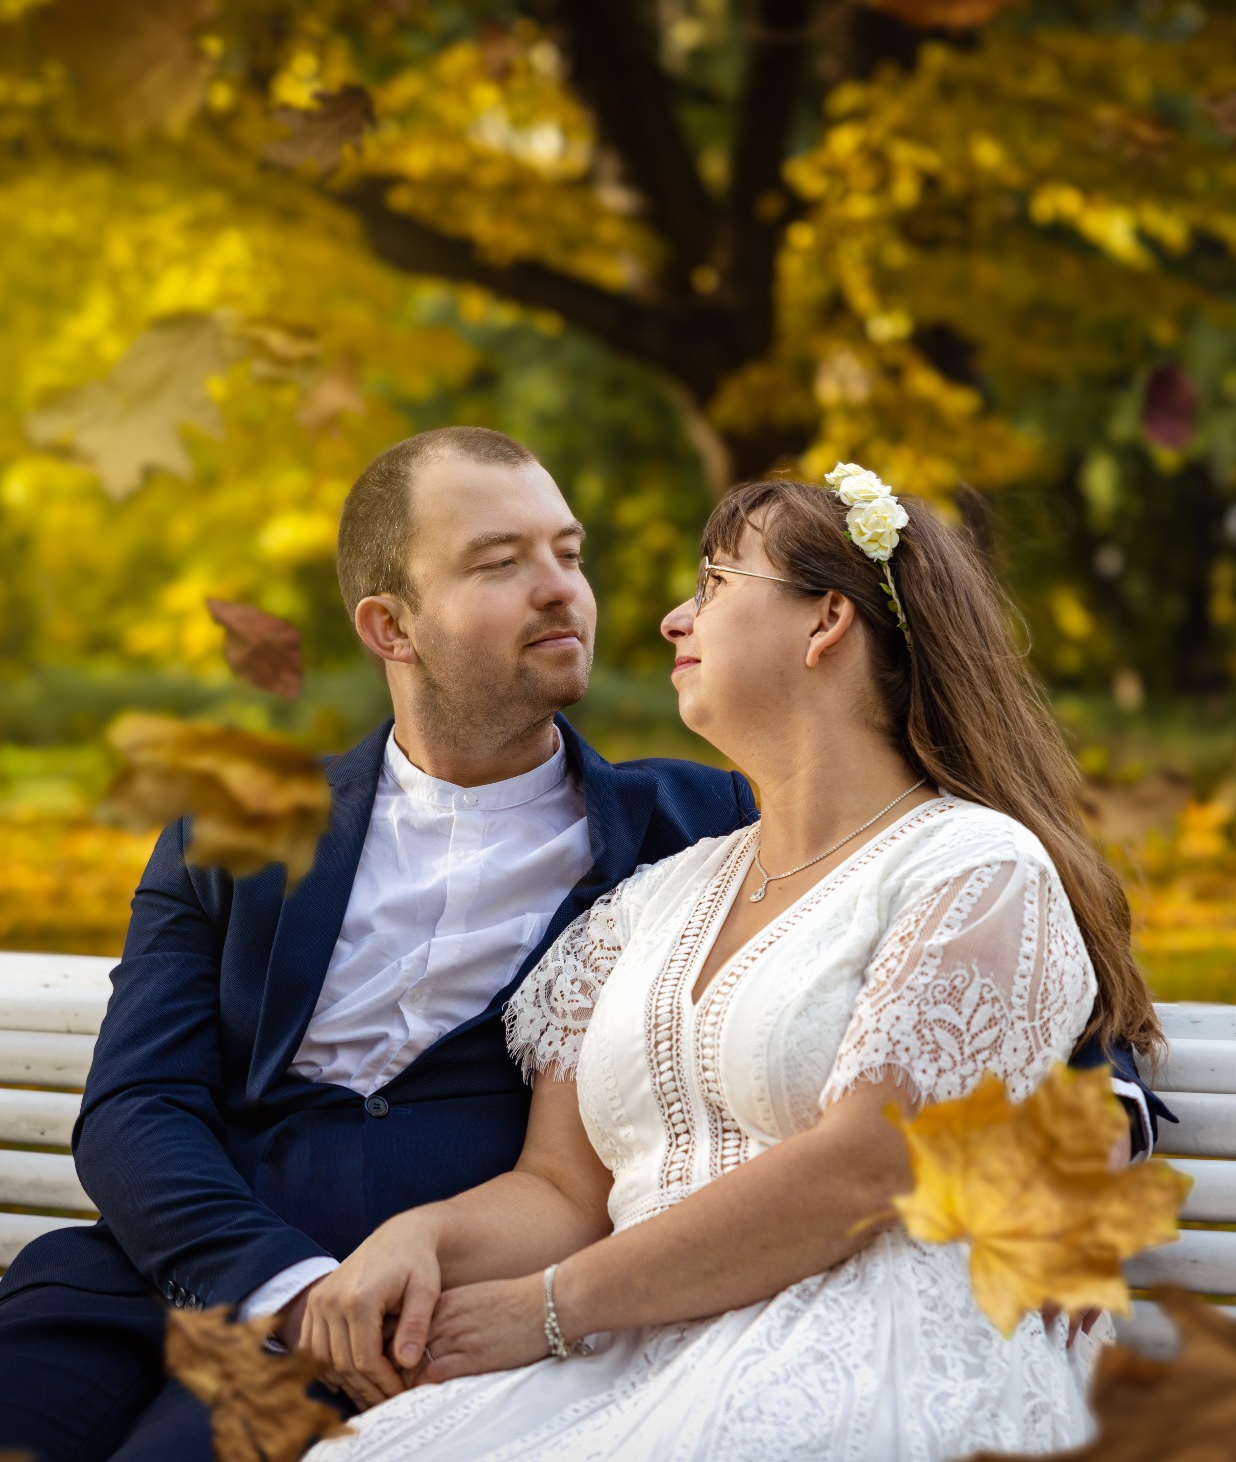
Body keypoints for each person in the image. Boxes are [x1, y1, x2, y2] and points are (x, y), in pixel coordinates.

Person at [0, 427, 760, 1459]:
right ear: (390, 626)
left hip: (411, 1317)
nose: (559, 588)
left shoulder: (701, 823)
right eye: (499, 561)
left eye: (566, 553)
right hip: (146, 1280)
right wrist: (288, 1289)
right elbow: (134, 1105)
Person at [301, 466, 1167, 1461]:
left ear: (826, 620)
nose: (673, 619)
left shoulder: (971, 865)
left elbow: (865, 1168)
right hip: (631, 1345)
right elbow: (560, 1189)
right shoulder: (650, 898)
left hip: (860, 1340)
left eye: (713, 583)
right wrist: (424, 1238)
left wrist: (548, 1308)